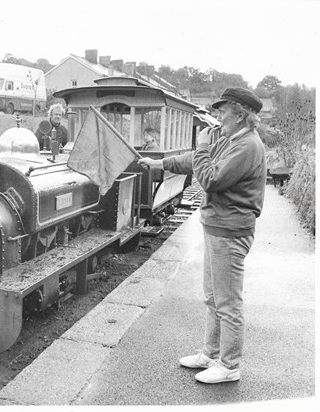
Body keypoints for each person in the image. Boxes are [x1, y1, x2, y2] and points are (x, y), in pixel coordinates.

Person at [138, 87, 266, 384]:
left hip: (230, 231)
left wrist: (202, 147)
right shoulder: (231, 140)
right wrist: (159, 164)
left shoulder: (246, 146)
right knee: (212, 297)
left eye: (223, 113)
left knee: (227, 302)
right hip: (218, 227)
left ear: (241, 115)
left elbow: (210, 179)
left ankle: (229, 365)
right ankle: (210, 353)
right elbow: (193, 162)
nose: (219, 119)